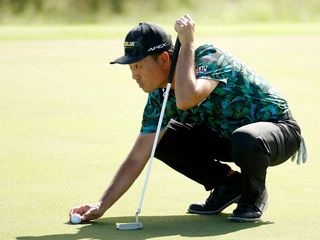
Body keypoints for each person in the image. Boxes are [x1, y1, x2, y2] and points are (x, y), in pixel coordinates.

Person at [70, 14, 306, 223]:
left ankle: (253, 196)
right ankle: (228, 184)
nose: (134, 75)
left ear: (164, 59)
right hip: (230, 139)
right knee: (160, 140)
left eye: (138, 66)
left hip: (276, 133)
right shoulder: (158, 96)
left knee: (245, 138)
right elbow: (137, 157)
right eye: (131, 68)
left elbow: (186, 98)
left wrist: (188, 43)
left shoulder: (209, 57)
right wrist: (102, 205)